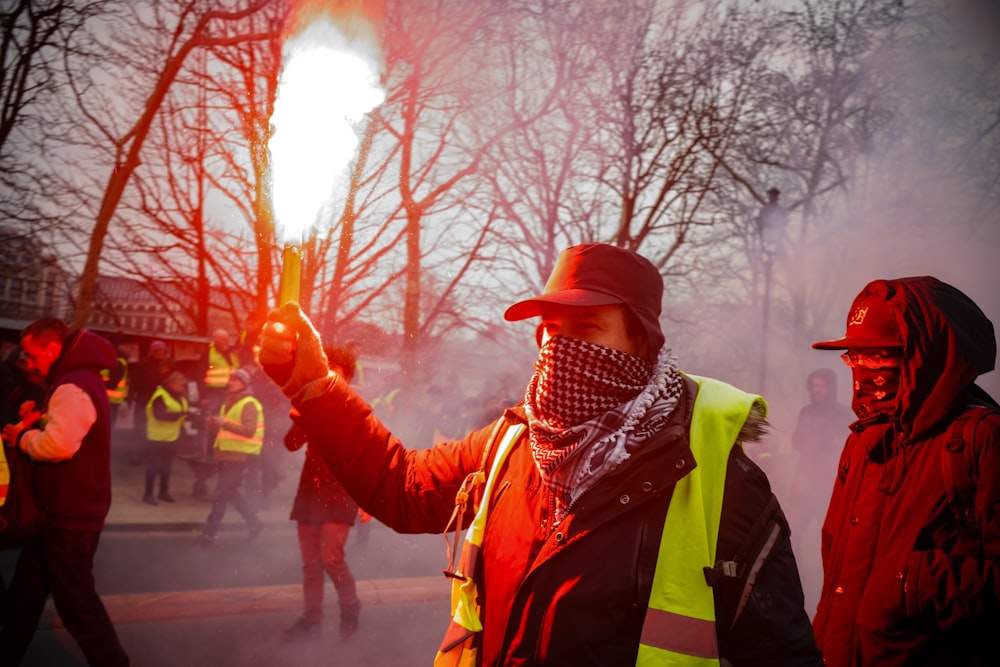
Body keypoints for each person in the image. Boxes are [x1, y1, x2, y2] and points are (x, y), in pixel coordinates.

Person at [259, 243, 821, 665]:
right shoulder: (511, 443)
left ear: (642, 341)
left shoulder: (719, 477)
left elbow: (783, 654)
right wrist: (315, 387)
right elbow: (403, 487)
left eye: (586, 326)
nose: (560, 348)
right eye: (550, 329)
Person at [810, 276, 999, 665]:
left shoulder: (982, 437)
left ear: (925, 356)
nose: (861, 369)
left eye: (877, 356)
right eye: (853, 357)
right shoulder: (863, 443)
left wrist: (918, 583)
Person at [0, 317, 129, 666]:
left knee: (76, 604)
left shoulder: (73, 385)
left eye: (32, 354)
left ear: (53, 348)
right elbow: (64, 430)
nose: (30, 362)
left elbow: (58, 445)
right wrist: (36, 420)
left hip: (70, 516)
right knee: (24, 597)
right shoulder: (77, 382)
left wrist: (23, 437)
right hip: (60, 512)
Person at [282, 345, 362, 643]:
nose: (331, 381)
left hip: (340, 493)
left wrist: (366, 500)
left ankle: (350, 605)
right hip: (309, 492)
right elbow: (291, 443)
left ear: (347, 379)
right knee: (310, 564)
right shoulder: (310, 406)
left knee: (331, 559)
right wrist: (302, 415)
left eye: (337, 376)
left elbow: (364, 457)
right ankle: (312, 619)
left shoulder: (355, 409)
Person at [194, 367, 264, 546]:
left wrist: (224, 422)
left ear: (245, 384)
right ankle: (254, 524)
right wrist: (213, 424)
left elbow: (249, 431)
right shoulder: (228, 403)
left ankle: (208, 535)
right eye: (231, 379)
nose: (231, 382)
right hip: (226, 455)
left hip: (239, 457)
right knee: (230, 493)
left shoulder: (249, 403)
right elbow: (224, 429)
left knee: (220, 495)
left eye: (236, 379)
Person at [143, 371, 190, 505]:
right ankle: (148, 494)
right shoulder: (160, 396)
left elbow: (181, 413)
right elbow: (159, 415)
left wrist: (187, 416)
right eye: (180, 385)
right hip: (158, 437)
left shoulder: (179, 396)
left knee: (167, 466)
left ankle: (163, 492)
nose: (182, 388)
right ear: (171, 383)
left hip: (172, 436)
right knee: (154, 466)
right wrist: (181, 414)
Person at [126, 339, 173, 465]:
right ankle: (141, 452)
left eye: (162, 351)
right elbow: (134, 382)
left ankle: (149, 452)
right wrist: (130, 397)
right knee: (141, 427)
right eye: (158, 351)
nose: (160, 354)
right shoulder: (144, 364)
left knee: (152, 428)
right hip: (143, 400)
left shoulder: (165, 365)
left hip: (157, 402)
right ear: (153, 352)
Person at [199, 328, 240, 458]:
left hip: (229, 392)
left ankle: (222, 451)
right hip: (213, 392)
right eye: (222, 339)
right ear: (215, 338)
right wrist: (203, 396)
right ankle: (210, 454)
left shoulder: (231, 354)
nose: (225, 341)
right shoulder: (208, 353)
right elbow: (200, 375)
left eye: (227, 339)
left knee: (227, 422)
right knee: (212, 423)